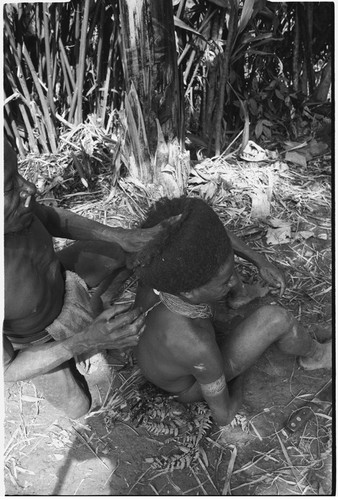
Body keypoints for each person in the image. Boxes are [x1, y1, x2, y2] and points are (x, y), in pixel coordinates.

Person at [3, 138, 178, 419]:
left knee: (127, 249)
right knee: (79, 407)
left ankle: (98, 301)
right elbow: (7, 370)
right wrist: (84, 341)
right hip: (38, 338)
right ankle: (85, 330)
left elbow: (50, 217)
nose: (30, 188)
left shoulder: (18, 211)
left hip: (61, 278)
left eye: (19, 174)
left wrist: (121, 235)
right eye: (11, 186)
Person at [133, 197, 332, 428]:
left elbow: (214, 237)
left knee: (217, 265)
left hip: (165, 356)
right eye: (226, 282)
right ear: (188, 291)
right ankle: (316, 356)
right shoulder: (198, 345)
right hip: (188, 387)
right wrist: (241, 371)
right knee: (277, 319)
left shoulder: (159, 267)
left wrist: (259, 261)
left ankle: (231, 296)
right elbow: (223, 416)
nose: (234, 281)